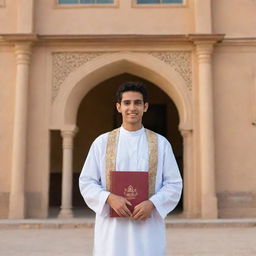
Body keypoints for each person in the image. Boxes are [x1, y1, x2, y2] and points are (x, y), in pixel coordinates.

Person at [79, 81, 182, 256]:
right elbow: (87, 182)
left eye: (137, 103)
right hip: (112, 233)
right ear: (119, 107)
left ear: (145, 107)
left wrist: (153, 203)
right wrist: (109, 198)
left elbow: (174, 184)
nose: (132, 108)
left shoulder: (161, 143)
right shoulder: (102, 143)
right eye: (127, 103)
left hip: (148, 230)